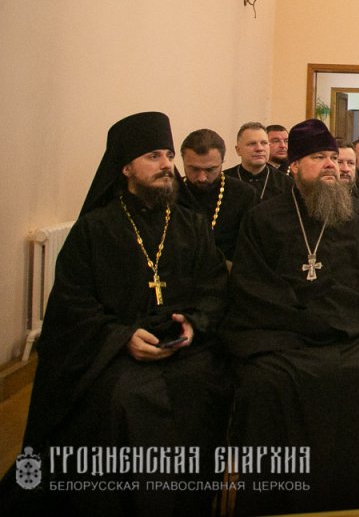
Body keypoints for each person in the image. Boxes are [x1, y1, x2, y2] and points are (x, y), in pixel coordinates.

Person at [2, 112, 230, 515]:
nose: (165, 165)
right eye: (153, 156)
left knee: (204, 387)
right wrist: (122, 336)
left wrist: (194, 325)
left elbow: (215, 288)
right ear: (126, 168)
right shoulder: (94, 230)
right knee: (126, 397)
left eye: (167, 155)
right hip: (113, 351)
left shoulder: (191, 226)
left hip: (185, 348)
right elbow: (72, 307)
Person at [222, 119, 359, 515]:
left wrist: (333, 316)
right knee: (265, 381)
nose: (333, 165)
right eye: (319, 158)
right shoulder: (263, 218)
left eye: (334, 157)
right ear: (294, 166)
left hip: (354, 332)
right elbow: (252, 286)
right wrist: (307, 317)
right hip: (285, 334)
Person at [178, 127, 256, 260]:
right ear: (183, 162)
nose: (202, 177)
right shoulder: (171, 193)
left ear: (222, 163)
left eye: (210, 169)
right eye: (194, 169)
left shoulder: (244, 194)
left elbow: (250, 249)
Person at [225, 121, 291, 201]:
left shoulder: (286, 183)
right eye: (252, 144)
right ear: (238, 150)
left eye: (264, 143)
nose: (259, 148)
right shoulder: (224, 180)